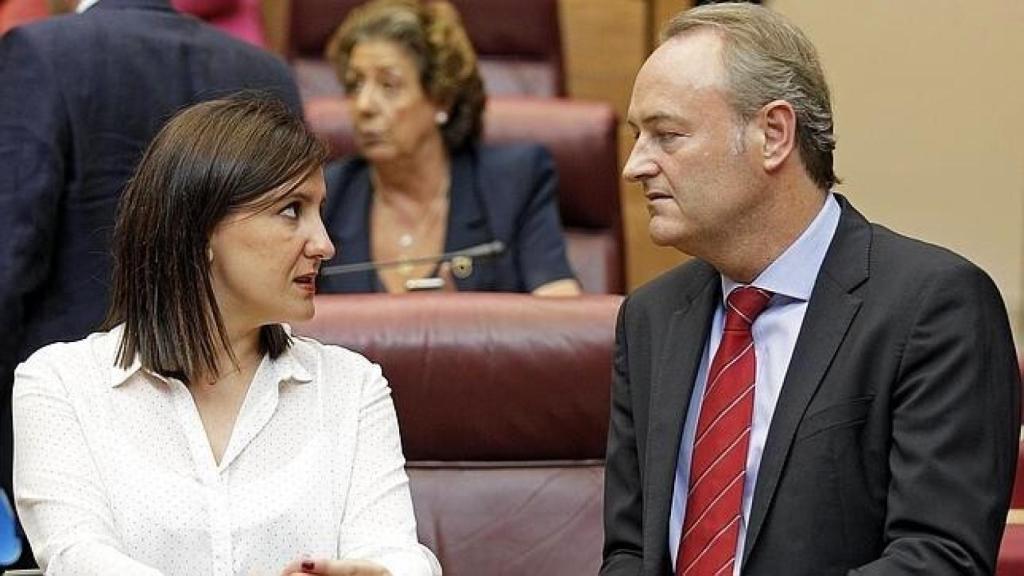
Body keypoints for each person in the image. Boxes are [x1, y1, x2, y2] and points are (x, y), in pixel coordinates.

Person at [602, 3, 1020, 576]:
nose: (633, 166)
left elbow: (937, 559)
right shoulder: (651, 318)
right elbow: (629, 552)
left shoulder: (933, 307)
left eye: (666, 135)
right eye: (636, 136)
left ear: (773, 134)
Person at [12, 95, 441, 576]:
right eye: (290, 211)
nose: (324, 244)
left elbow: (398, 553)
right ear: (199, 231)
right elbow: (76, 558)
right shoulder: (60, 385)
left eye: (320, 211)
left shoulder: (352, 387)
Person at [0, 0, 302, 566]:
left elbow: (7, 259)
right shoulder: (265, 72)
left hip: (70, 431)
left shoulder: (40, 52)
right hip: (244, 423)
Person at [317, 0, 580, 295]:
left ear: (441, 99)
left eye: (389, 86)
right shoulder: (327, 195)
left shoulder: (514, 183)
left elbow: (560, 306)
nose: (363, 106)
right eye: (354, 85)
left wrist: (463, 324)